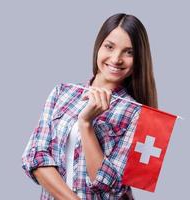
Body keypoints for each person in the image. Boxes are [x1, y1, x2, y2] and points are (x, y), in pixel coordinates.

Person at [21, 13, 158, 200]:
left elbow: (111, 186)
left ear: (139, 58)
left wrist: (86, 124)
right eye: (109, 47)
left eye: (129, 52)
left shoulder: (140, 115)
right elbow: (35, 157)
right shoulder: (62, 93)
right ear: (98, 47)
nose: (116, 58)